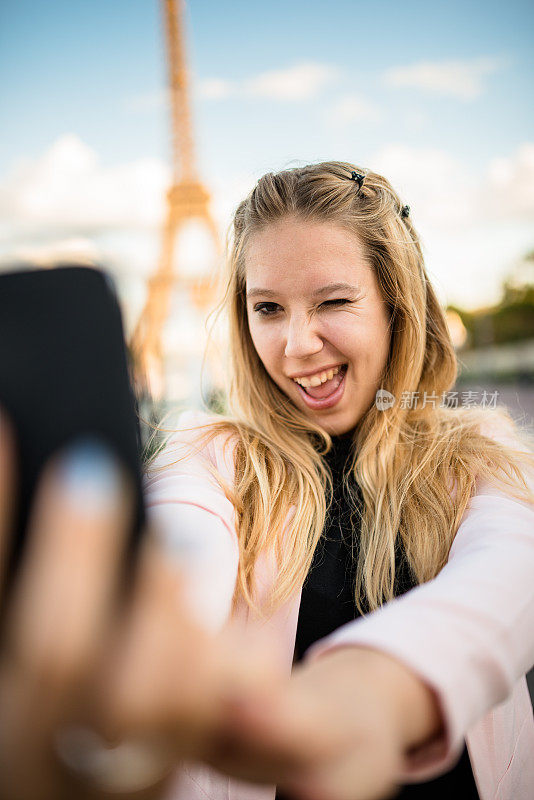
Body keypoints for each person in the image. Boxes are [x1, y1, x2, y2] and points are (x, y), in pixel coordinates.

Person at [142, 162, 534, 800]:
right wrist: (143, 625)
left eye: (332, 302)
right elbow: (175, 544)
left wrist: (373, 690)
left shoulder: (477, 456)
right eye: (268, 308)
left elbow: (514, 572)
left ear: (395, 306)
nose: (297, 345)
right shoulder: (210, 457)